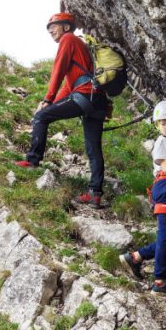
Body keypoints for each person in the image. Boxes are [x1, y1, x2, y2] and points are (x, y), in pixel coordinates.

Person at [15, 12, 108, 207]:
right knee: (93, 148)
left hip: (84, 95)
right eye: (49, 28)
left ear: (66, 27)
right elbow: (68, 85)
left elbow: (58, 70)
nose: (50, 30)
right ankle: (95, 193)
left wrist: (47, 101)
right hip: (97, 99)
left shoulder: (68, 39)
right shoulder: (76, 44)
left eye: (54, 26)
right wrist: (52, 103)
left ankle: (32, 160)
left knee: (41, 117)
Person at [119, 101, 166, 293]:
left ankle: (136, 257)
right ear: (157, 125)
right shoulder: (161, 141)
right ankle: (160, 281)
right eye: (164, 123)